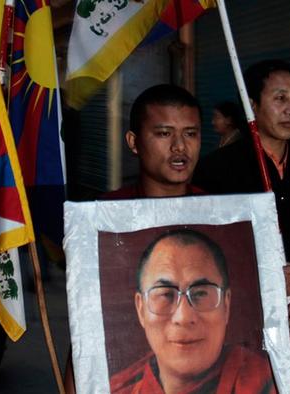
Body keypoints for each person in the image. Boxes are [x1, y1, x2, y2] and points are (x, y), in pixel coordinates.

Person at [193, 59, 290, 393]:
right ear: (252, 105)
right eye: (280, 99)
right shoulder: (216, 173)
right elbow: (200, 254)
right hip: (243, 340)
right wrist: (261, 276)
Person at [65, 84, 205, 393]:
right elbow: (86, 319)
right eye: (164, 134)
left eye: (191, 134)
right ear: (134, 142)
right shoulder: (104, 217)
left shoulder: (219, 217)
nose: (180, 148)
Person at [109, 229, 275, 393]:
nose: (183, 317)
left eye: (200, 293)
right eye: (166, 294)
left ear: (226, 304)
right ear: (141, 309)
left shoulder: (270, 380)